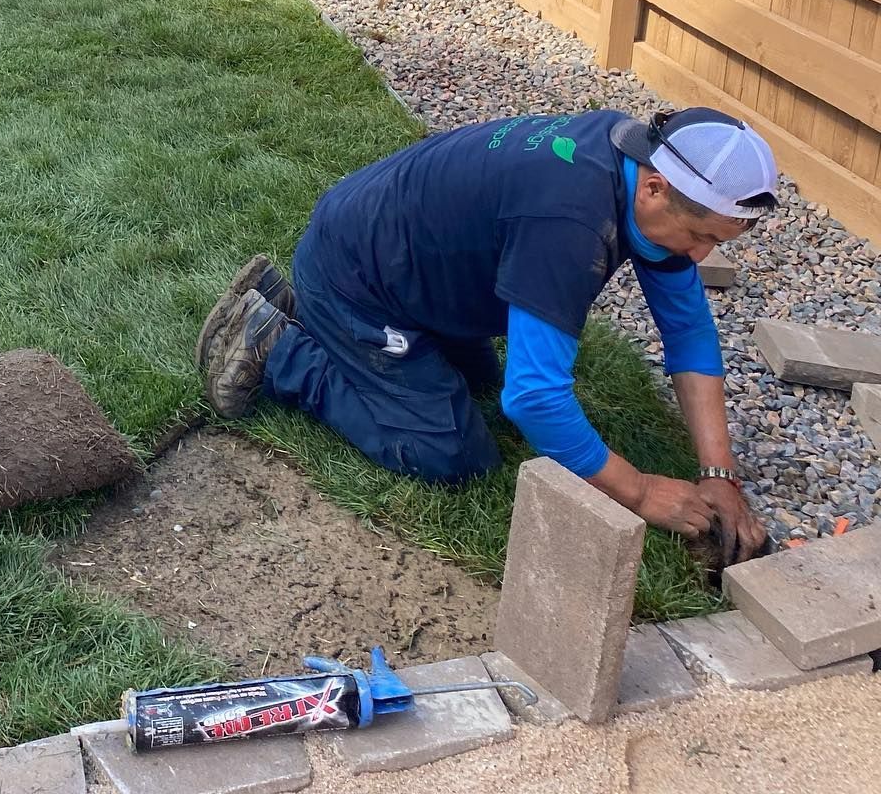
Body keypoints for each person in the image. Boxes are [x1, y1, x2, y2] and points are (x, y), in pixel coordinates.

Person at [199, 107, 778, 562]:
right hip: (358, 276)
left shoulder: (633, 162)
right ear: (653, 187)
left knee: (477, 382)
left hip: (408, 268)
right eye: (702, 236)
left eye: (717, 244)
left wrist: (717, 474)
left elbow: (689, 334)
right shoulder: (570, 223)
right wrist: (640, 491)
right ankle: (281, 347)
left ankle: (328, 323)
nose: (701, 256)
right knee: (450, 453)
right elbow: (536, 398)